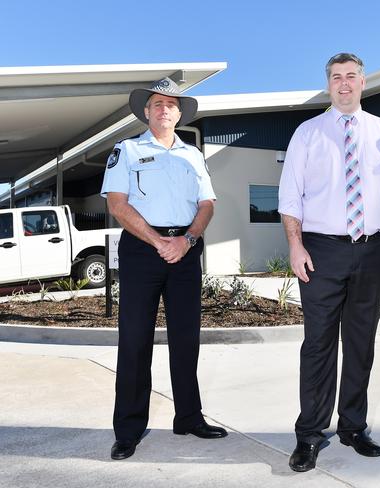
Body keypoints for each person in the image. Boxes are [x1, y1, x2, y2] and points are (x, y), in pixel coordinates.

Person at [279, 53, 380, 472]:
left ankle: (353, 427)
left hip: (373, 248)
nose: (344, 84)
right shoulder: (308, 132)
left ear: (363, 81)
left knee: (361, 342)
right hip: (322, 250)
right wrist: (296, 247)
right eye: (336, 77)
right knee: (318, 344)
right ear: (328, 83)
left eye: (351, 76)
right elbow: (290, 197)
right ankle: (311, 434)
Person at [101, 77, 227, 461]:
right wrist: (159, 242)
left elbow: (207, 204)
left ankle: (188, 417)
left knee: (186, 340)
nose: (164, 110)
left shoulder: (193, 156)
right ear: (146, 111)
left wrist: (186, 241)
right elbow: (118, 205)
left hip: (185, 252)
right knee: (135, 341)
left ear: (178, 113)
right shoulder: (126, 151)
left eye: (171, 105)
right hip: (143, 251)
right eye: (157, 103)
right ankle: (128, 428)